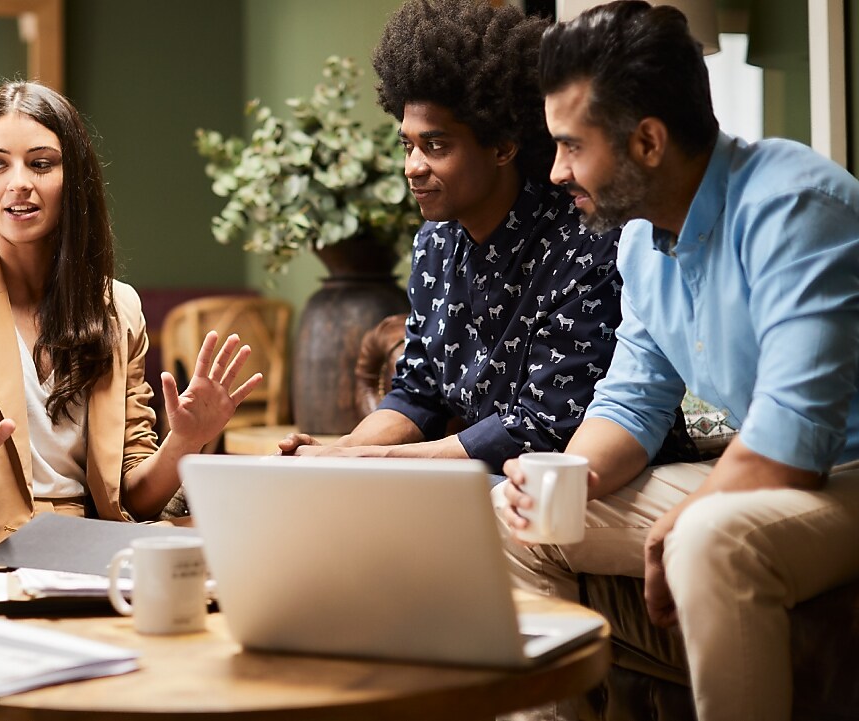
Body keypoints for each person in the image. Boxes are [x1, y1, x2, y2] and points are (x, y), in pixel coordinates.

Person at [496, 3, 859, 720]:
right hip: (777, 474)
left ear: (649, 142)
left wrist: (688, 512)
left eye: (571, 146)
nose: (558, 170)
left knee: (708, 536)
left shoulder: (794, 205)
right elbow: (630, 401)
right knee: (510, 522)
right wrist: (566, 480)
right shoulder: (640, 242)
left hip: (844, 471)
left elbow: (792, 433)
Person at [0, 80, 261, 572]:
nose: (19, 182)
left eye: (41, 163)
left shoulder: (117, 308)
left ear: (74, 179)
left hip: (85, 559)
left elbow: (133, 499)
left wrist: (187, 440)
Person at [280, 0, 693, 473]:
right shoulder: (432, 246)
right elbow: (417, 393)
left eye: (435, 146)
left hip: (599, 480)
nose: (413, 168)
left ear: (501, 147)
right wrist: (334, 454)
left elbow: (541, 428)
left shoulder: (589, 243)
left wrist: (375, 457)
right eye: (407, 145)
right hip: (489, 481)